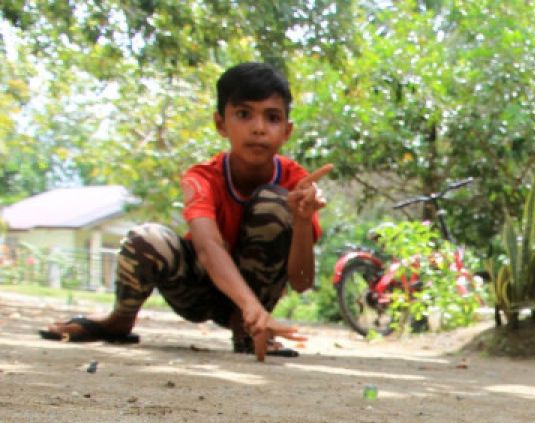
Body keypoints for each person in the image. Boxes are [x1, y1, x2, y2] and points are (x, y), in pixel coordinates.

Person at [39, 62, 332, 362]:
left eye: (272, 118)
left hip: (254, 302)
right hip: (199, 291)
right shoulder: (202, 178)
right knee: (145, 239)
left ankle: (248, 329)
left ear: (287, 131)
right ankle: (120, 321)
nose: (258, 128)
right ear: (221, 124)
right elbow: (207, 248)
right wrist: (249, 305)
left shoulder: (297, 185)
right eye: (244, 114)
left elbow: (300, 281)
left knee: (273, 202)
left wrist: (301, 222)